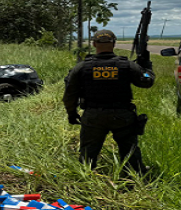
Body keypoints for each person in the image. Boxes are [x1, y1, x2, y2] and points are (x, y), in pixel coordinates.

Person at [63, 29, 155, 174]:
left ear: (94, 44)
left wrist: (71, 113)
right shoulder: (127, 65)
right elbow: (147, 81)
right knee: (129, 149)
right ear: (114, 43)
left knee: (88, 152)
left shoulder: (82, 67)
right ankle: (135, 175)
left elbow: (70, 94)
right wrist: (147, 67)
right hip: (122, 115)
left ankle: (86, 179)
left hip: (93, 115)